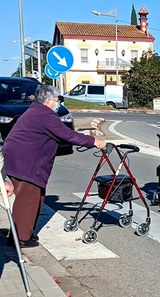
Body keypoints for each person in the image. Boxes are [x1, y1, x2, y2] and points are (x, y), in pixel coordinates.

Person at [3, 85, 106, 248]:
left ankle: (22, 234)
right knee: (28, 197)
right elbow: (67, 135)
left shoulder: (36, 111)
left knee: (36, 196)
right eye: (57, 100)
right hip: (26, 160)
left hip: (20, 157)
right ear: (48, 100)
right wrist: (94, 142)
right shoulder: (44, 114)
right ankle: (19, 238)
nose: (59, 103)